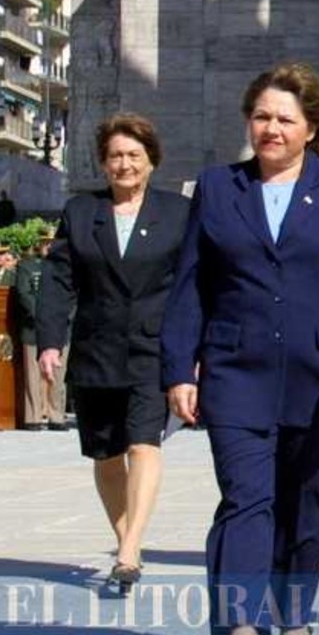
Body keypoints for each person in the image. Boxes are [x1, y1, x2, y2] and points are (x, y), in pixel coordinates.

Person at [161, 63, 319, 635]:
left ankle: (294, 615)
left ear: (311, 126)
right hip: (236, 371)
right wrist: (180, 369)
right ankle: (242, 629)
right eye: (261, 116)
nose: (271, 128)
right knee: (246, 499)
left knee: (306, 500)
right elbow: (190, 286)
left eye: (284, 119)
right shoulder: (217, 186)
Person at [36, 115, 192, 591]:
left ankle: (128, 549)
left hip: (152, 349)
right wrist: (48, 342)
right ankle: (128, 540)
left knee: (145, 442)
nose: (124, 165)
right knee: (107, 455)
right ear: (103, 164)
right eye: (115, 157)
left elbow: (193, 285)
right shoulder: (82, 212)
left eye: (133, 156)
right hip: (96, 351)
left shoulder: (178, 213)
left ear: (151, 162)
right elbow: (59, 283)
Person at [16, 229, 65, 430]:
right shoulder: (28, 266)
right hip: (34, 328)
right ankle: (33, 416)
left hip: (60, 329)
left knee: (58, 376)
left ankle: (56, 416)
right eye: (46, 243)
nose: (49, 246)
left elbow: (73, 296)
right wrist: (43, 318)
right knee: (33, 375)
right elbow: (24, 293)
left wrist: (61, 319)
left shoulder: (65, 267)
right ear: (40, 244)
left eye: (53, 242)